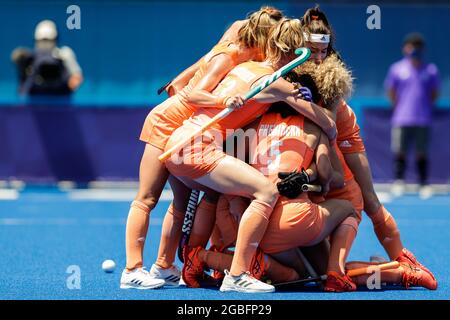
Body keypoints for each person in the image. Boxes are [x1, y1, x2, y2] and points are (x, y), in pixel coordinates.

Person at [163, 18, 337, 293]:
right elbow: (328, 123)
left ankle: (166, 265)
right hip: (199, 147)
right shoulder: (276, 81)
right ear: (294, 54)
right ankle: (237, 274)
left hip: (178, 141)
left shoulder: (244, 67)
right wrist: (324, 120)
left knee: (209, 196)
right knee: (266, 192)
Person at [120, 7, 284, 290]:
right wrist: (224, 102)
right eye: (273, 38)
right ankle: (132, 269)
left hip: (189, 127)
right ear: (261, 36)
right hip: (168, 122)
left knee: (182, 203)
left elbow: (196, 69)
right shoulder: (230, 55)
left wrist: (181, 78)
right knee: (146, 198)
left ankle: (164, 267)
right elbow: (194, 95)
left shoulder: (245, 52)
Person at [296, 6, 436, 284]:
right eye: (313, 50)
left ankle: (404, 264)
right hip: (319, 139)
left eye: (324, 51)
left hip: (342, 134)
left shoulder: (333, 76)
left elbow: (329, 126)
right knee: (317, 273)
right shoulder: (290, 69)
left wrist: (302, 101)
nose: (319, 57)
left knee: (368, 198)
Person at [384, 33, 440, 199]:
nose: (413, 49)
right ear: (405, 49)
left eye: (417, 46)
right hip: (401, 118)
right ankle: (399, 182)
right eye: (410, 46)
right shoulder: (396, 69)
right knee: (400, 150)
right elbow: (391, 91)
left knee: (421, 152)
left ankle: (423, 183)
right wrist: (401, 108)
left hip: (423, 118)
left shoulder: (431, 70)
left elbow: (434, 93)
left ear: (422, 49)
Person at [11, 20, 83, 96]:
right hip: (35, 103)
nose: (45, 45)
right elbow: (22, 90)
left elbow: (76, 78)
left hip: (60, 101)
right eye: (41, 41)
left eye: (49, 41)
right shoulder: (30, 59)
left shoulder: (64, 55)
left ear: (55, 40)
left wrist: (65, 85)